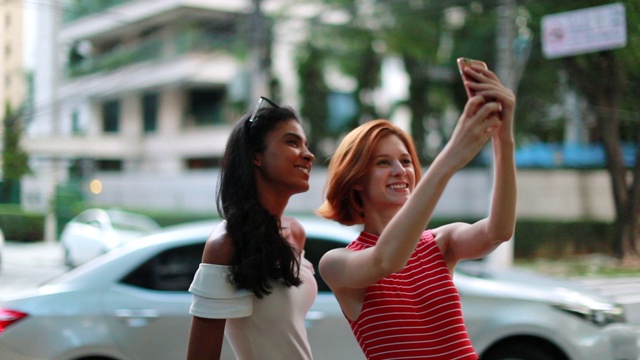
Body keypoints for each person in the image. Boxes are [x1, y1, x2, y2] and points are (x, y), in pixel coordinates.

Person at [317, 64, 516, 360]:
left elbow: (498, 231)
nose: (400, 171)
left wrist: (503, 138)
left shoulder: (440, 242)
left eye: (406, 161)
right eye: (383, 163)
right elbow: (387, 259)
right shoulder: (336, 263)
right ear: (357, 179)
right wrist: (449, 159)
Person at [186, 97, 317, 360]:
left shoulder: (295, 233)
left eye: (306, 144)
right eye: (292, 142)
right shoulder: (226, 244)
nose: (308, 154)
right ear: (256, 156)